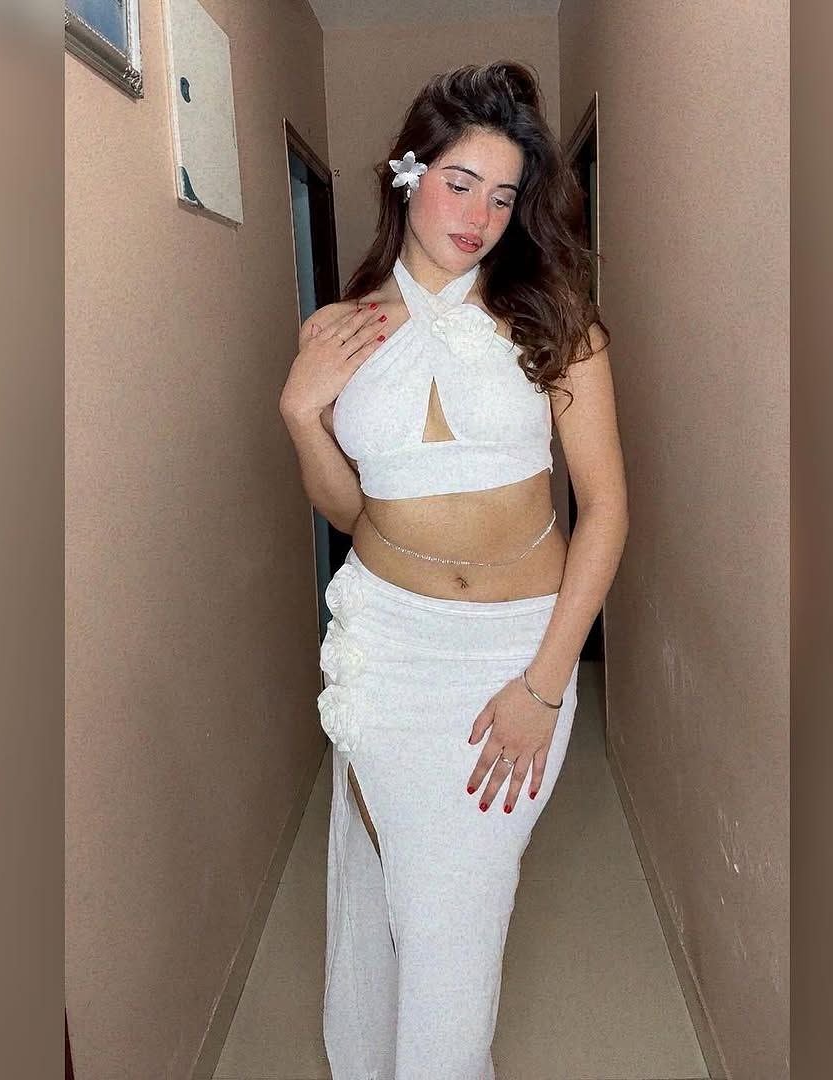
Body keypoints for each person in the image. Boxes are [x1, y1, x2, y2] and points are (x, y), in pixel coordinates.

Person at [279, 60, 628, 1080]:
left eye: (504, 196)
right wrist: (300, 414)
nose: (479, 216)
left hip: (514, 655)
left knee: (455, 926)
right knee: (406, 905)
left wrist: (545, 685)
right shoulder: (340, 329)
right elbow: (351, 511)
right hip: (390, 646)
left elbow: (606, 509)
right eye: (460, 182)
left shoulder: (555, 321)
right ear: (409, 173)